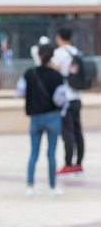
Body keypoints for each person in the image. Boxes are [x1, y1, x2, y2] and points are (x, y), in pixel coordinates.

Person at [15, 43, 65, 196]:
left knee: (33, 154)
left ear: (38, 55)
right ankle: (52, 187)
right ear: (52, 57)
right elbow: (60, 99)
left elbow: (20, 91)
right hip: (52, 117)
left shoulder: (29, 73)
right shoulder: (57, 76)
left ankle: (30, 187)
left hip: (35, 118)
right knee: (51, 154)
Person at [52, 27, 84, 175]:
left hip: (66, 99)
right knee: (78, 131)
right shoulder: (77, 52)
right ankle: (79, 163)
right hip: (77, 97)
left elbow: (54, 71)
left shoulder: (59, 54)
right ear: (71, 37)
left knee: (67, 132)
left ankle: (68, 163)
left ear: (59, 37)